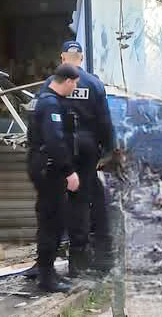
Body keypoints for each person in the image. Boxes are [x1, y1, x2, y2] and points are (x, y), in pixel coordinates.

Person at [57, 41, 116, 277]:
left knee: (64, 202)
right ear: (80, 58)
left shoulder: (54, 83)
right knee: (86, 200)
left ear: (63, 58)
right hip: (88, 150)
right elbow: (104, 121)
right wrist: (108, 150)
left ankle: (76, 257)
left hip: (60, 150)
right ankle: (91, 257)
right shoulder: (93, 83)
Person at [28, 64, 82, 293]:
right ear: (68, 81)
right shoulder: (50, 103)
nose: (76, 87)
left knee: (48, 221)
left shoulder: (45, 97)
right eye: (75, 83)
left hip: (42, 166)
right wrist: (69, 171)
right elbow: (55, 141)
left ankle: (44, 272)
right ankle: (47, 279)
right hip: (50, 170)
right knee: (53, 222)